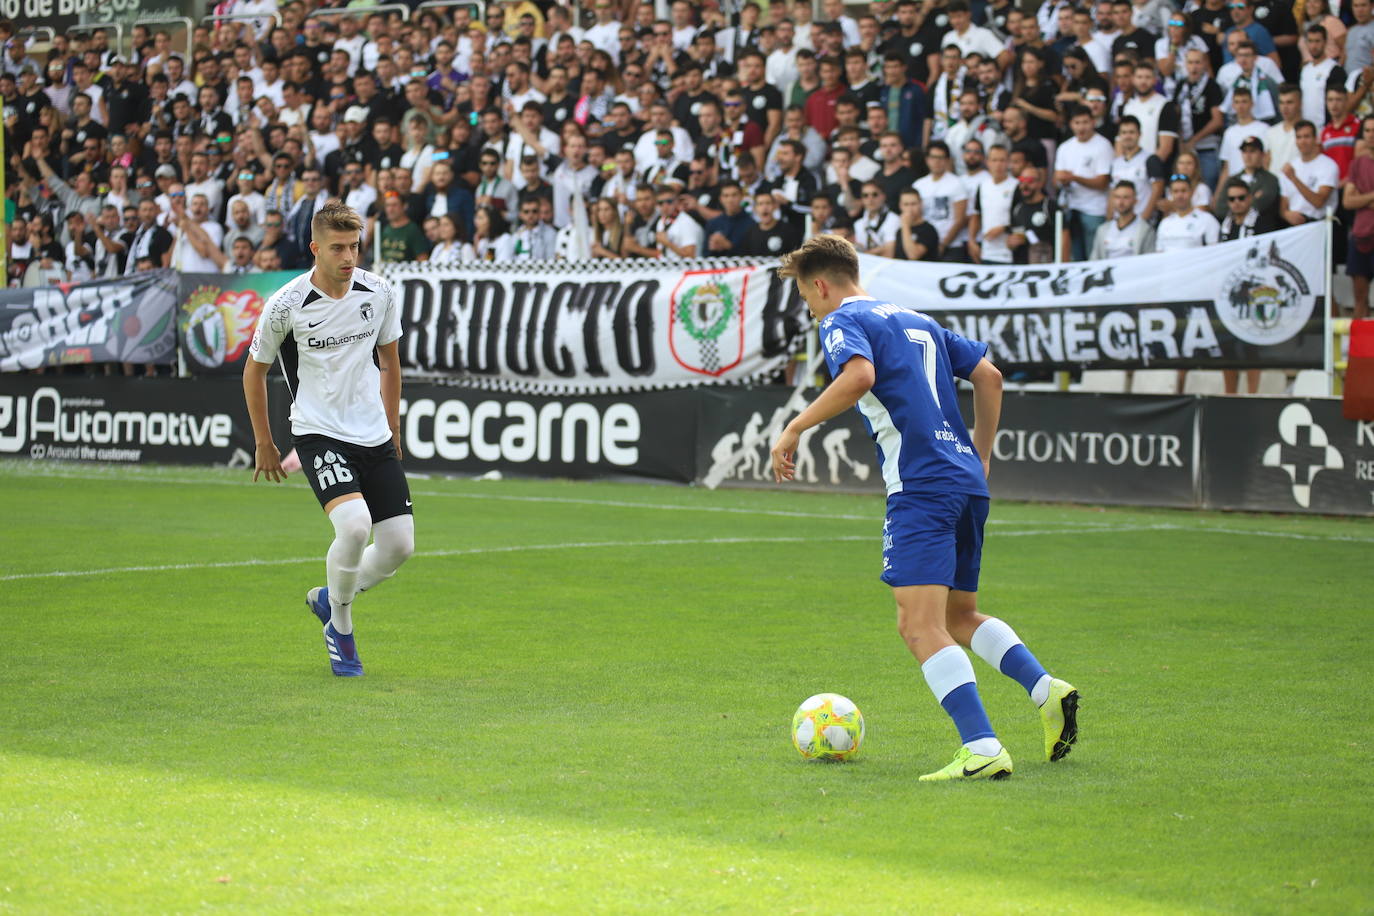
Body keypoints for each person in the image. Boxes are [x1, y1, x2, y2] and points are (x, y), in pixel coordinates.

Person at [767, 235, 1079, 781]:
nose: (810, 307)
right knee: (959, 617)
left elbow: (858, 376)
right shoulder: (918, 319)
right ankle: (1045, 689)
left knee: (918, 625)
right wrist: (982, 454)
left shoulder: (841, 320)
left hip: (921, 484)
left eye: (805, 295)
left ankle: (982, 746)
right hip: (965, 480)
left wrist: (795, 426)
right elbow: (990, 376)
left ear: (820, 285)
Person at [243, 200, 414, 678]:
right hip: (319, 433)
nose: (348, 257)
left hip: (374, 434)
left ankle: (329, 597)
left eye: (354, 246)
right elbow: (253, 372)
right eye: (338, 247)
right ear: (315, 248)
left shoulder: (378, 291)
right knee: (355, 527)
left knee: (399, 546)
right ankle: (340, 627)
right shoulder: (286, 304)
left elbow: (390, 363)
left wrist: (393, 428)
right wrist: (264, 441)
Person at [1091, 181, 1156, 257]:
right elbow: (1094, 259)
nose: (1121, 202)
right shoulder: (1102, 230)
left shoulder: (1145, 230)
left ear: (1135, 201)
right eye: (1117, 197)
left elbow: (1149, 259)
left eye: (1126, 197)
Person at [1155, 175, 1221, 249]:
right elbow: (1159, 252)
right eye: (1175, 191)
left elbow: (1215, 250)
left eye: (1183, 191)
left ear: (1192, 192)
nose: (1180, 195)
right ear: (1171, 194)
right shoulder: (1164, 223)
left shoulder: (1207, 220)